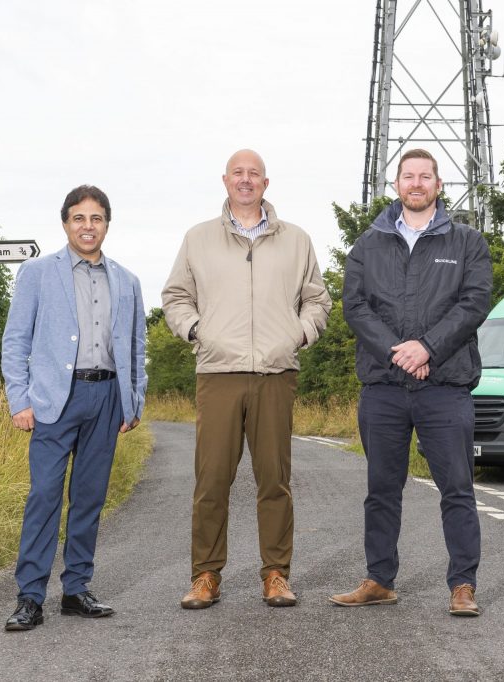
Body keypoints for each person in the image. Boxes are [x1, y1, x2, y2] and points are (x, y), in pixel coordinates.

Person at [162, 149, 331, 609]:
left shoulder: (296, 239)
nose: (245, 179)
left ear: (266, 183)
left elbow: (317, 300)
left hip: (276, 374)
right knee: (212, 479)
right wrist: (198, 331)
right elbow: (175, 296)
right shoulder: (198, 239)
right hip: (218, 372)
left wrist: (298, 334)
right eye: (238, 172)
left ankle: (276, 574)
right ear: (224, 180)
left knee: (274, 479)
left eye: (253, 173)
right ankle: (205, 575)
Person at [331, 149, 492, 616]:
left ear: (439, 186)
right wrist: (400, 352)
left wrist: (427, 348)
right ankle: (379, 580)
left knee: (456, 488)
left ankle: (463, 585)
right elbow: (355, 307)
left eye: (425, 177)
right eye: (408, 176)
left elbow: (474, 303)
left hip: (446, 386)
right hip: (383, 388)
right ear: (396, 184)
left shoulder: (467, 243)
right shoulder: (368, 244)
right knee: (381, 489)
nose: (416, 183)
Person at [1, 185, 147, 631]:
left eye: (96, 218)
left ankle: (76, 589)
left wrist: (133, 399)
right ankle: (30, 597)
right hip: (53, 400)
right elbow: (16, 340)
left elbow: (137, 346)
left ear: (107, 224)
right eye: (79, 218)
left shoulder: (127, 281)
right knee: (44, 495)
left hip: (105, 398)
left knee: (88, 498)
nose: (88, 226)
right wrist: (19, 399)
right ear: (65, 223)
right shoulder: (38, 273)